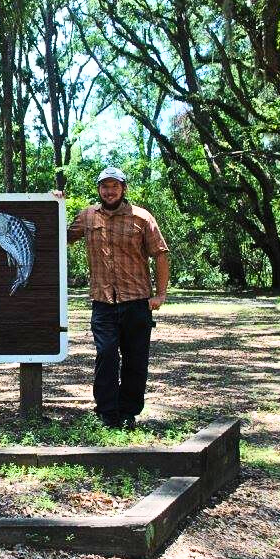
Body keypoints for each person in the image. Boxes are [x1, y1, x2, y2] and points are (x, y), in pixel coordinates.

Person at [55, 167, 169, 430]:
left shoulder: (141, 218)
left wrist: (160, 294)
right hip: (102, 302)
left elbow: (160, 254)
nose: (109, 191)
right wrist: (54, 204)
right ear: (99, 189)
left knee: (135, 359)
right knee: (106, 355)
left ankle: (129, 412)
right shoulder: (87, 216)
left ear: (123, 188)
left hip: (137, 301)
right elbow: (60, 237)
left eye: (114, 186)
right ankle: (107, 412)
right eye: (105, 186)